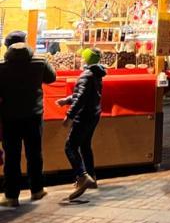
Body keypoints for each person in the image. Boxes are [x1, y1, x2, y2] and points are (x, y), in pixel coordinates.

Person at [0, 31, 56, 208]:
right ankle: (37, 190)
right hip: (34, 116)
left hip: (10, 117)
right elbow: (51, 78)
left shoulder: (1, 66)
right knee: (34, 154)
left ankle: (11, 196)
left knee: (12, 157)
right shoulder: (39, 62)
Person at [56, 48, 106, 200]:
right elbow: (84, 94)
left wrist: (69, 116)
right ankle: (91, 177)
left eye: (82, 57)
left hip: (84, 116)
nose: (80, 59)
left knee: (70, 147)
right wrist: (67, 100)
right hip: (94, 114)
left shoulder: (86, 75)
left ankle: (82, 177)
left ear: (87, 60)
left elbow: (81, 98)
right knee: (85, 145)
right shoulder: (97, 73)